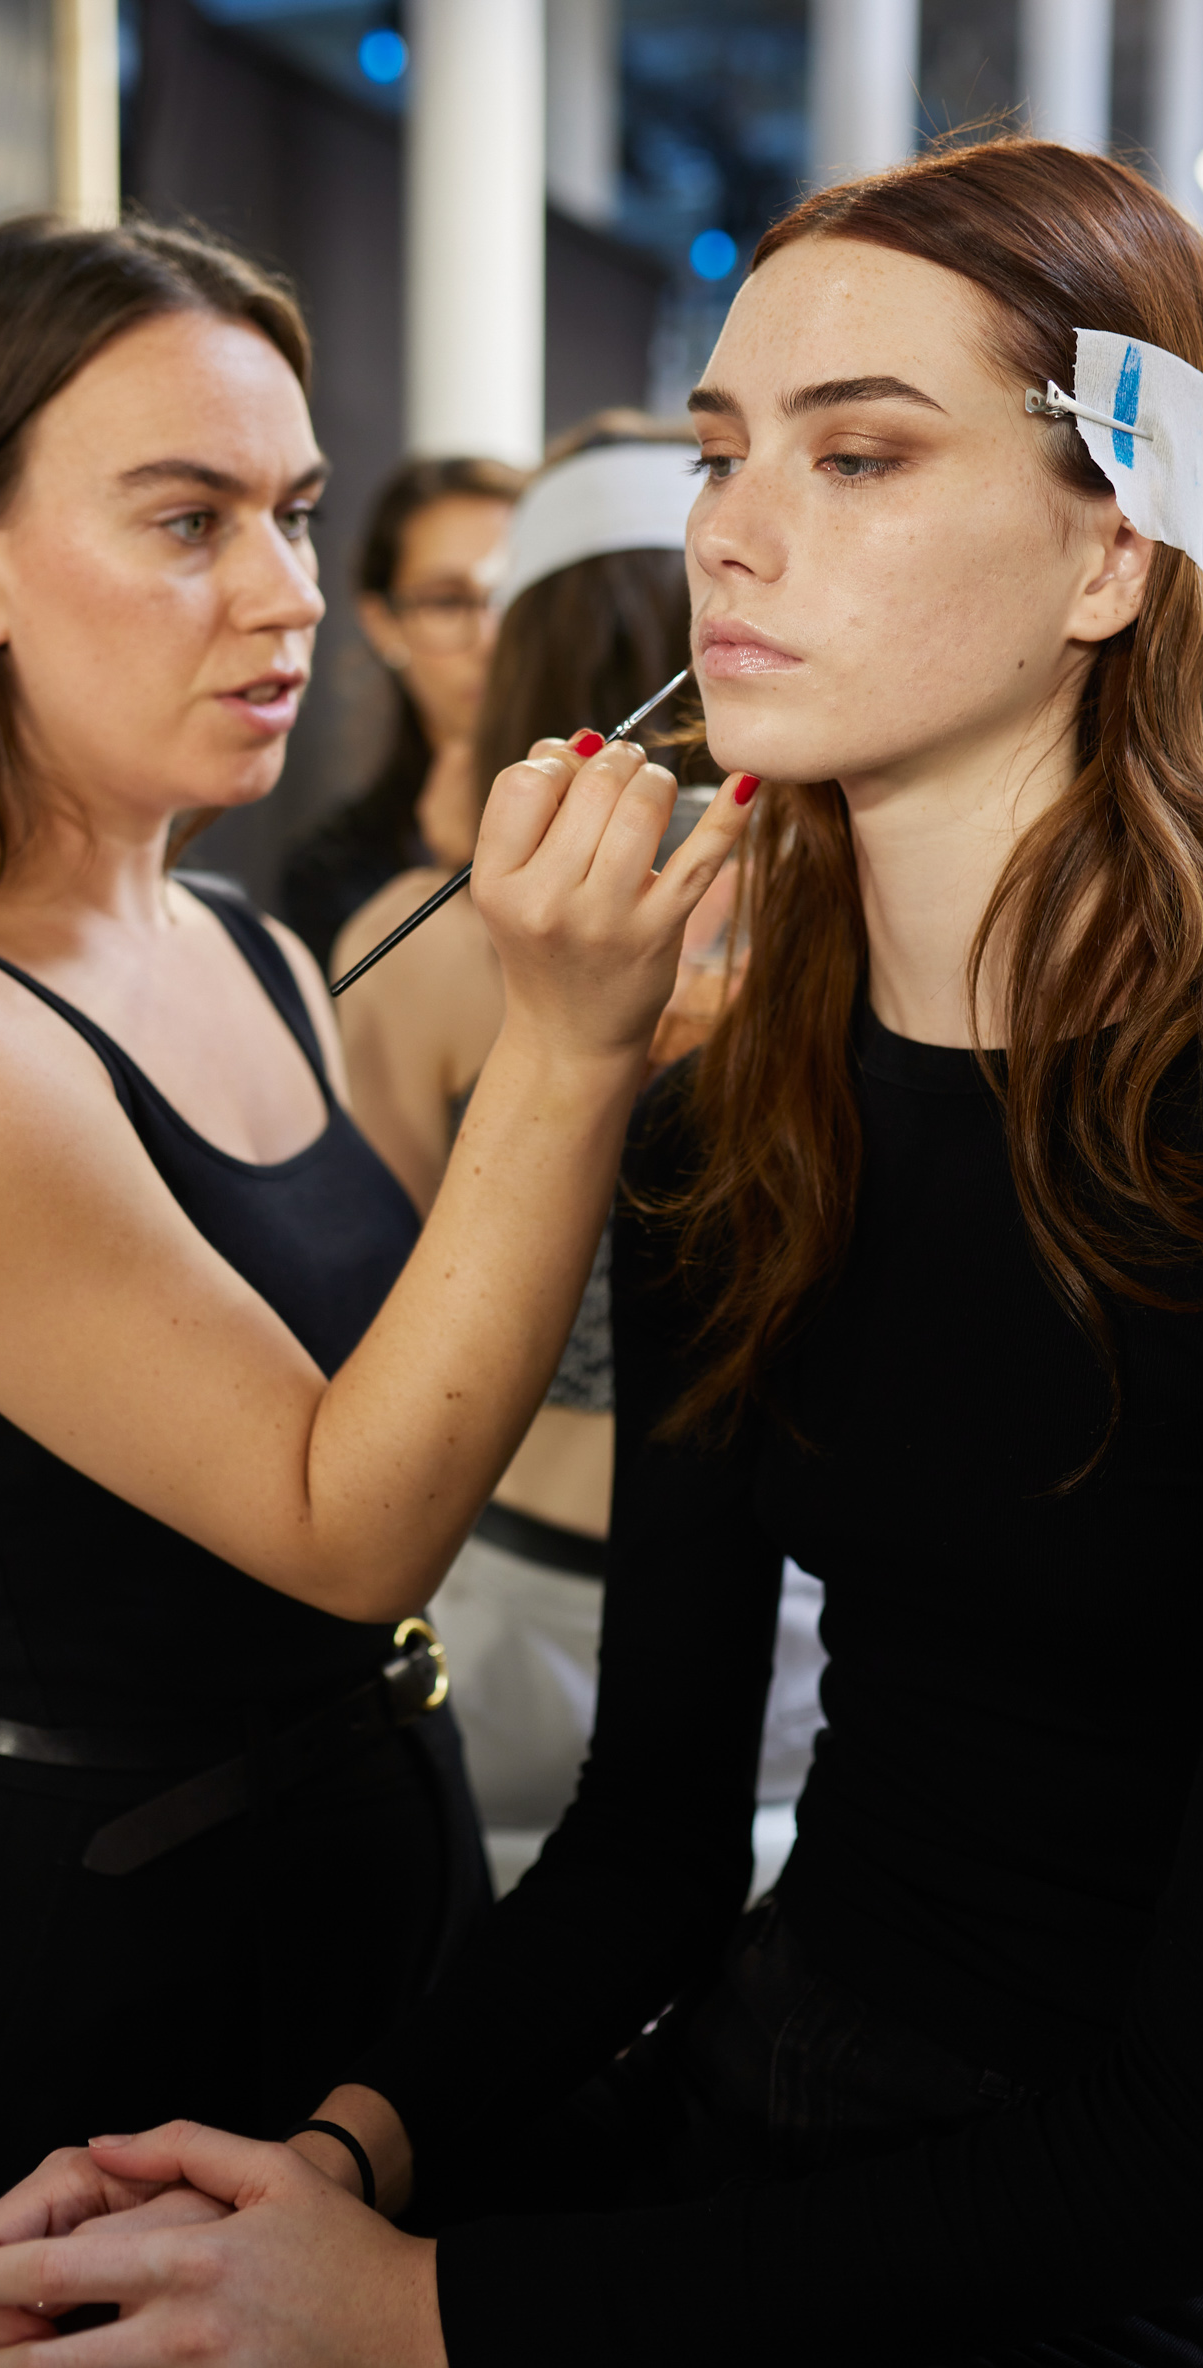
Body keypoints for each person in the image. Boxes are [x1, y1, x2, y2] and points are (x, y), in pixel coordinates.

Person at [0, 134, 1203, 2368]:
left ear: (1115, 539)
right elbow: (648, 1850)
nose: (732, 534)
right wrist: (346, 2165)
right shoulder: (743, 1103)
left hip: (1079, 2319)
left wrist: (422, 2323)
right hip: (698, 2145)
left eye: (859, 453)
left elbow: (1200, 2149)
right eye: (717, 454)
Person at [0, 214, 749, 2337]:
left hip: (373, 1874)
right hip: (98, 1974)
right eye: (184, 522)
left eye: (286, 514)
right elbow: (343, 1516)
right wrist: (560, 1050)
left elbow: (434, 1350)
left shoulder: (249, 950)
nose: (282, 597)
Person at [334, 415, 723, 1834]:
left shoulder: (417, 942)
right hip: (816, 1594)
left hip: (514, 1590)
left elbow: (360, 1308)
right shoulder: (866, 912)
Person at [275, 455, 522, 971]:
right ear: (384, 624)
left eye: (515, 594)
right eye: (448, 602)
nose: (490, 639)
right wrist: (458, 877)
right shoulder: (336, 873)